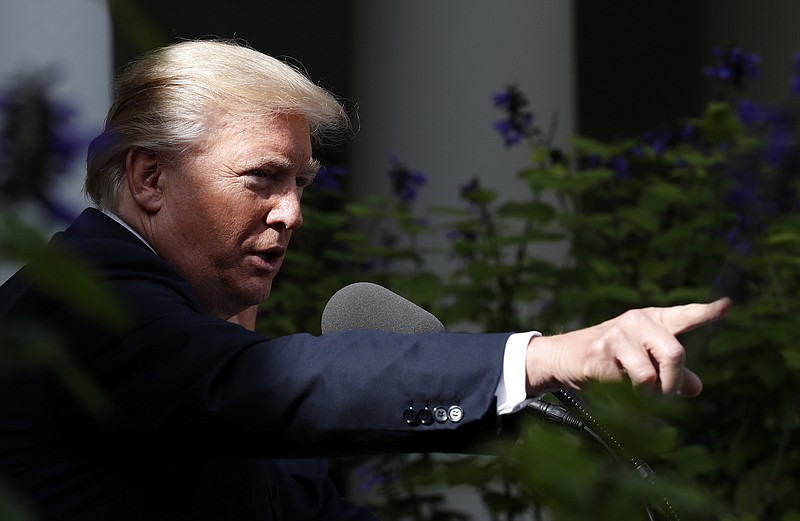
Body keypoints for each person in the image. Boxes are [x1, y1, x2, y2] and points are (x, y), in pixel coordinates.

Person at [0, 40, 730, 520]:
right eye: (262, 179)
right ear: (150, 177)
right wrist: (537, 357)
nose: (291, 213)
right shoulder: (83, 299)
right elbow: (281, 381)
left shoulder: (209, 350)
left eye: (301, 183)